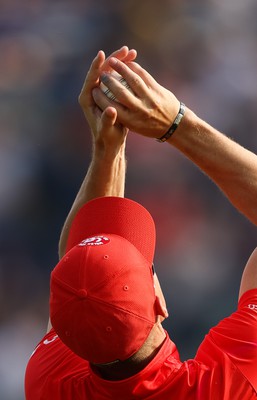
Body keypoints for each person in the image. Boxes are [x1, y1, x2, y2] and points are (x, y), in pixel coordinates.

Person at [25, 47, 257, 399]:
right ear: (160, 303)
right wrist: (176, 124)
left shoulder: (52, 384)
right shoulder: (228, 382)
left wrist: (108, 150)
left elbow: (79, 262)